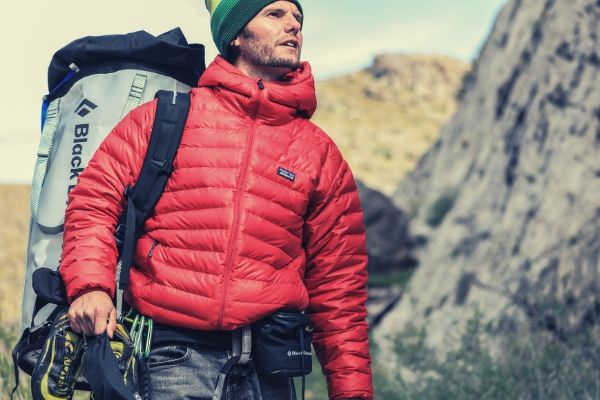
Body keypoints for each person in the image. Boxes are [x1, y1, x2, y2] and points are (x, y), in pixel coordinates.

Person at [59, 1, 373, 399]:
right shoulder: (163, 118)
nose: (293, 25)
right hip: (173, 357)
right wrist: (91, 285)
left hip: (270, 369)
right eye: (274, 15)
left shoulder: (318, 152)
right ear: (236, 35)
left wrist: (353, 392)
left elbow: (339, 287)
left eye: (298, 18)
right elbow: (93, 203)